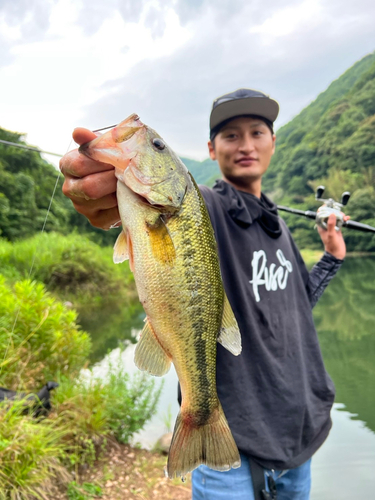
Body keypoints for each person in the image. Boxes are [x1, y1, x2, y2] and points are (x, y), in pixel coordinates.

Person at [60, 88, 347, 500]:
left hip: (301, 435)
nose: (246, 144)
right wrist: (104, 197)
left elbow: (298, 303)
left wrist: (332, 257)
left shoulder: (278, 227)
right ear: (211, 150)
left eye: (257, 132)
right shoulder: (203, 205)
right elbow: (136, 204)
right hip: (233, 441)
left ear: (273, 142)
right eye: (231, 135)